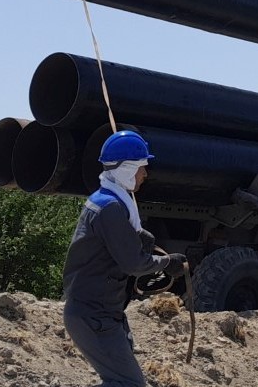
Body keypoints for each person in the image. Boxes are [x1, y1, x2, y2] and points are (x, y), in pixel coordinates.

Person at [62, 130, 187, 387]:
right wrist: (168, 263)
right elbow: (134, 264)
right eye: (142, 167)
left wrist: (136, 236)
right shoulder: (111, 208)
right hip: (94, 315)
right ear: (127, 169)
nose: (145, 174)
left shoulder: (105, 200)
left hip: (98, 313)